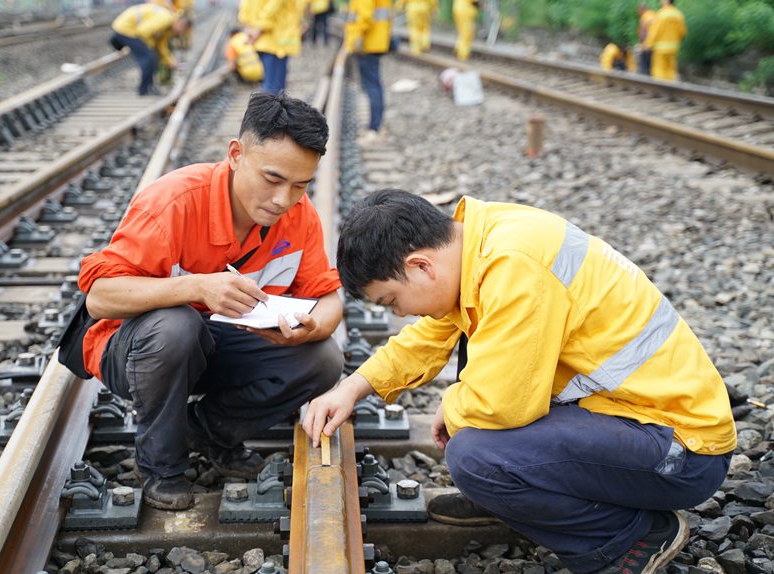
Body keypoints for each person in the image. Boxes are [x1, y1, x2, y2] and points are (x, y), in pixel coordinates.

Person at [304, 190, 736, 574]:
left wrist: (454, 404)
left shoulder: (514, 265)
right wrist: (353, 386)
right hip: (626, 416)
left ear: (421, 265)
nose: (399, 314)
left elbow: (501, 405)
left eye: (393, 300)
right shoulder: (476, 242)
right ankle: (513, 494)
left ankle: (631, 537)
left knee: (475, 456)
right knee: (472, 379)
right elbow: (428, 338)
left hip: (680, 449)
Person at [78, 93, 345, 510]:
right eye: (272, 179)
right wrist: (198, 288)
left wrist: (313, 328)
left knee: (324, 358)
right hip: (135, 351)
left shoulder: (298, 214)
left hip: (216, 345)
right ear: (236, 154)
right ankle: (160, 467)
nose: (283, 199)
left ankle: (204, 430)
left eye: (300, 185)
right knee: (176, 326)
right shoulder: (174, 201)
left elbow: (328, 297)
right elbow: (99, 296)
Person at [110, 2, 189, 95]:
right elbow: (143, 31)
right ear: (179, 23)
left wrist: (170, 60)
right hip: (125, 28)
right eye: (181, 29)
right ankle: (144, 89)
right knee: (148, 58)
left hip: (129, 29)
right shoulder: (166, 19)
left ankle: (149, 86)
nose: (179, 32)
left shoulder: (167, 28)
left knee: (152, 57)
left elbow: (161, 46)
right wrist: (150, 47)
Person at [345, 0, 392, 145]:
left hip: (367, 42)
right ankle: (375, 125)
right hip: (374, 40)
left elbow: (365, 15)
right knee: (373, 84)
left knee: (371, 85)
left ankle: (374, 128)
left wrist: (357, 36)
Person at [242, 0, 303, 93]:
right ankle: (272, 107)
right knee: (275, 89)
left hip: (262, 41)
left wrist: (249, 29)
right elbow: (273, 8)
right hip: (276, 41)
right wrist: (258, 30)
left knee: (271, 85)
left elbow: (244, 10)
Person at [644, 0, 686, 81]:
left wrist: (648, 44)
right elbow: (683, 32)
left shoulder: (661, 14)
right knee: (671, 70)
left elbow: (654, 32)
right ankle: (671, 90)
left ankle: (660, 90)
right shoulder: (678, 14)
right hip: (674, 48)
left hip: (661, 49)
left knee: (659, 70)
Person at [636, 3, 656, 76]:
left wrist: (641, 44)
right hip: (655, 46)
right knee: (652, 66)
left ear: (642, 10)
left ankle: (645, 83)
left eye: (638, 11)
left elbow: (643, 33)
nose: (638, 14)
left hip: (646, 46)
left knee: (644, 66)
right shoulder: (654, 15)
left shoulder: (645, 17)